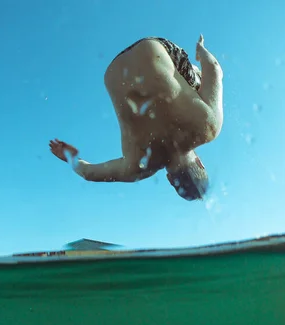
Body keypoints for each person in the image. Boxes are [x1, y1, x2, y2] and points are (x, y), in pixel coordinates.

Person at [49, 35, 223, 201]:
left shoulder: (209, 128)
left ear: (200, 163)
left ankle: (193, 69)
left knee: (200, 82)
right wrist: (70, 157)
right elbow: (88, 173)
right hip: (112, 72)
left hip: (152, 47)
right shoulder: (136, 168)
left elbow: (214, 67)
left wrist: (201, 50)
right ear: (171, 180)